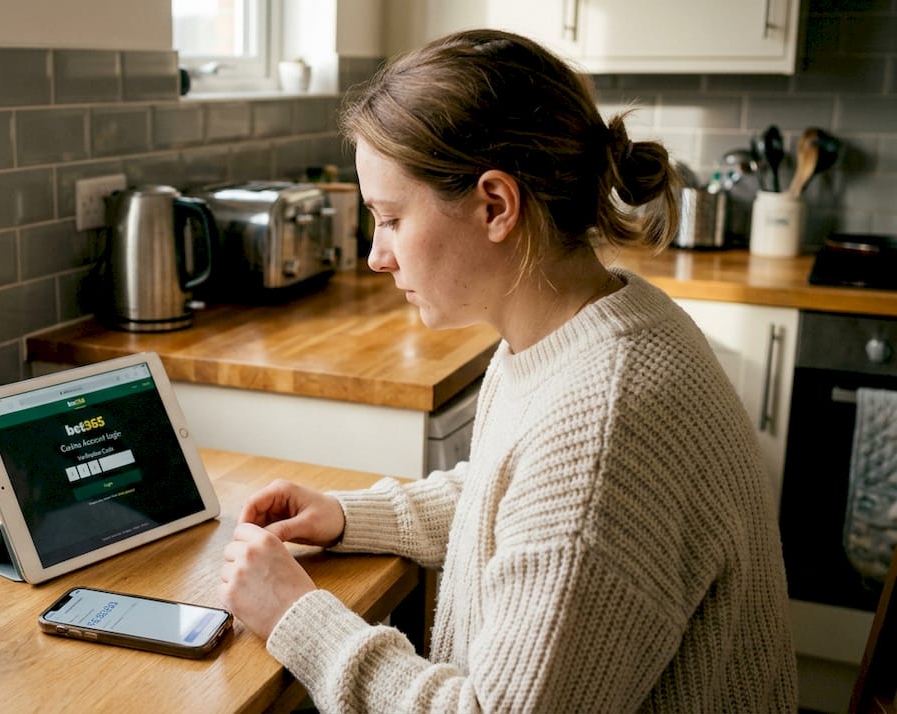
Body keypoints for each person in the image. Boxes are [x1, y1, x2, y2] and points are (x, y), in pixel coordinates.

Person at [217, 28, 797, 713]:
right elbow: (509, 500)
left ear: (496, 205)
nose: (376, 256)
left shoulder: (605, 423)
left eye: (391, 218)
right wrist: (347, 516)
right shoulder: (582, 324)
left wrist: (299, 617)